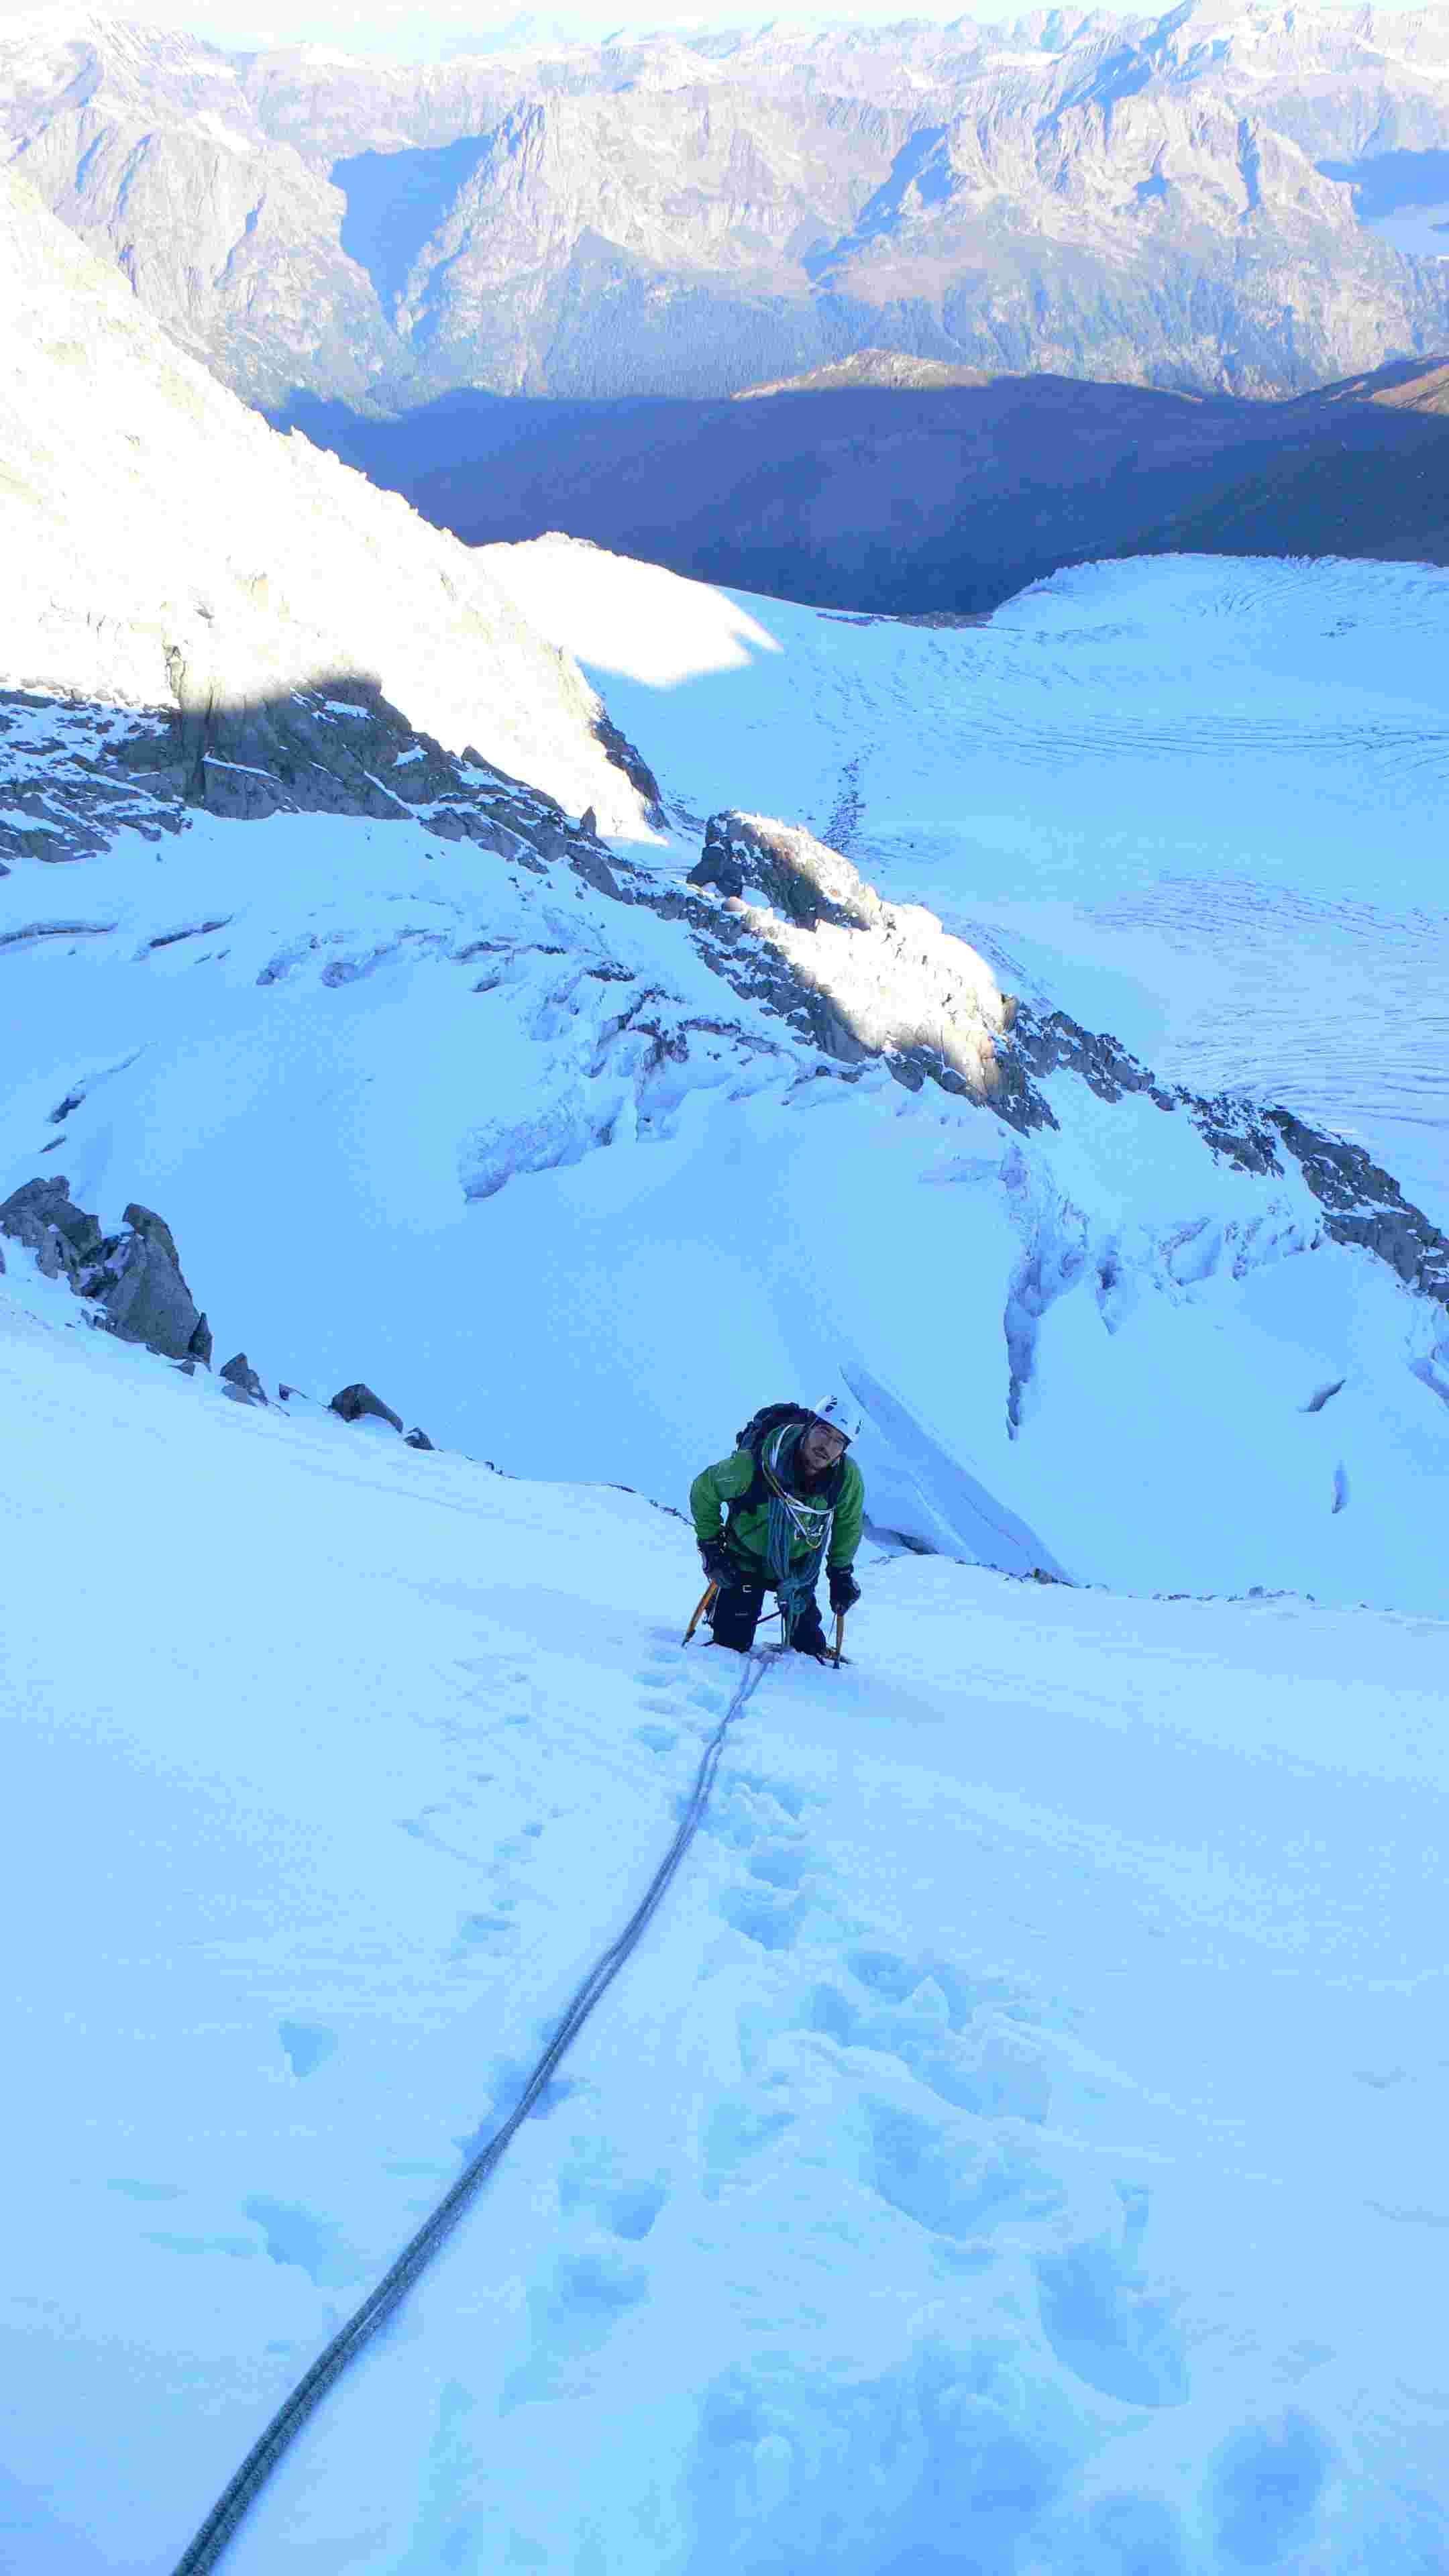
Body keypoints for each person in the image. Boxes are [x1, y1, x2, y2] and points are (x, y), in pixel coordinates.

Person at [690, 1397, 865, 1658]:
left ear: (844, 1449)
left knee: (809, 1648)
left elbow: (848, 1524)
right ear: (809, 1426)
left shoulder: (846, 1478)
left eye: (838, 1441)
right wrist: (711, 1547)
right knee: (730, 1643)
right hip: (745, 1559)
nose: (826, 1446)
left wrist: (840, 1573)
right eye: (823, 1432)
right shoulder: (755, 1463)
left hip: (796, 1567)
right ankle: (721, 1605)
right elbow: (704, 1489)